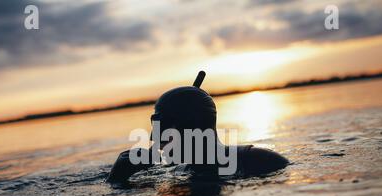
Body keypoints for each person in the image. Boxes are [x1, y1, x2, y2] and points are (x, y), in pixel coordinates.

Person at [107, 71, 289, 183]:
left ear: (190, 125)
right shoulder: (179, 169)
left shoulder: (259, 161)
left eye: (161, 127)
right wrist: (119, 174)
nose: (155, 139)